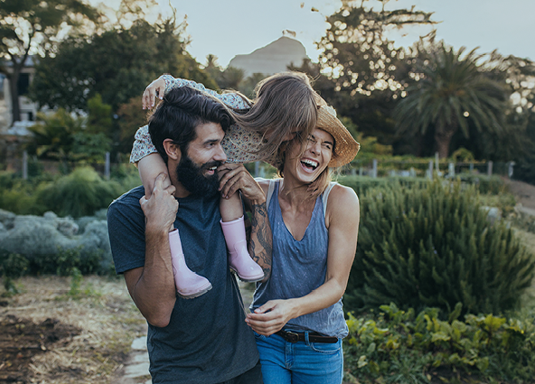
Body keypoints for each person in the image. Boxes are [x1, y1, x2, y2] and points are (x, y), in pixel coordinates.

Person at [108, 87, 269, 384]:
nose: (221, 155)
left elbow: (264, 263)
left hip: (245, 366)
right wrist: (157, 229)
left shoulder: (219, 193)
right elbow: (158, 313)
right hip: (180, 374)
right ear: (172, 148)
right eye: (209, 145)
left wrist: (257, 202)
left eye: (221, 143)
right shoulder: (127, 212)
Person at [131, 72, 318, 298]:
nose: (291, 136)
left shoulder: (273, 144)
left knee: (230, 185)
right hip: (151, 142)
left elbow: (294, 165)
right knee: (159, 192)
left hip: (213, 158)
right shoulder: (237, 107)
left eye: (297, 132)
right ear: (274, 114)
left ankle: (238, 253)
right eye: (290, 129)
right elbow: (198, 91)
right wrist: (165, 83)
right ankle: (179, 269)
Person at [242, 97, 361, 383]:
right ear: (286, 144)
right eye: (308, 138)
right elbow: (223, 132)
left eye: (326, 144)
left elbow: (336, 284)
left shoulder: (340, 201)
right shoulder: (259, 192)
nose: (316, 151)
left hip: (320, 347)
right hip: (267, 341)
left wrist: (290, 308)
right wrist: (172, 84)